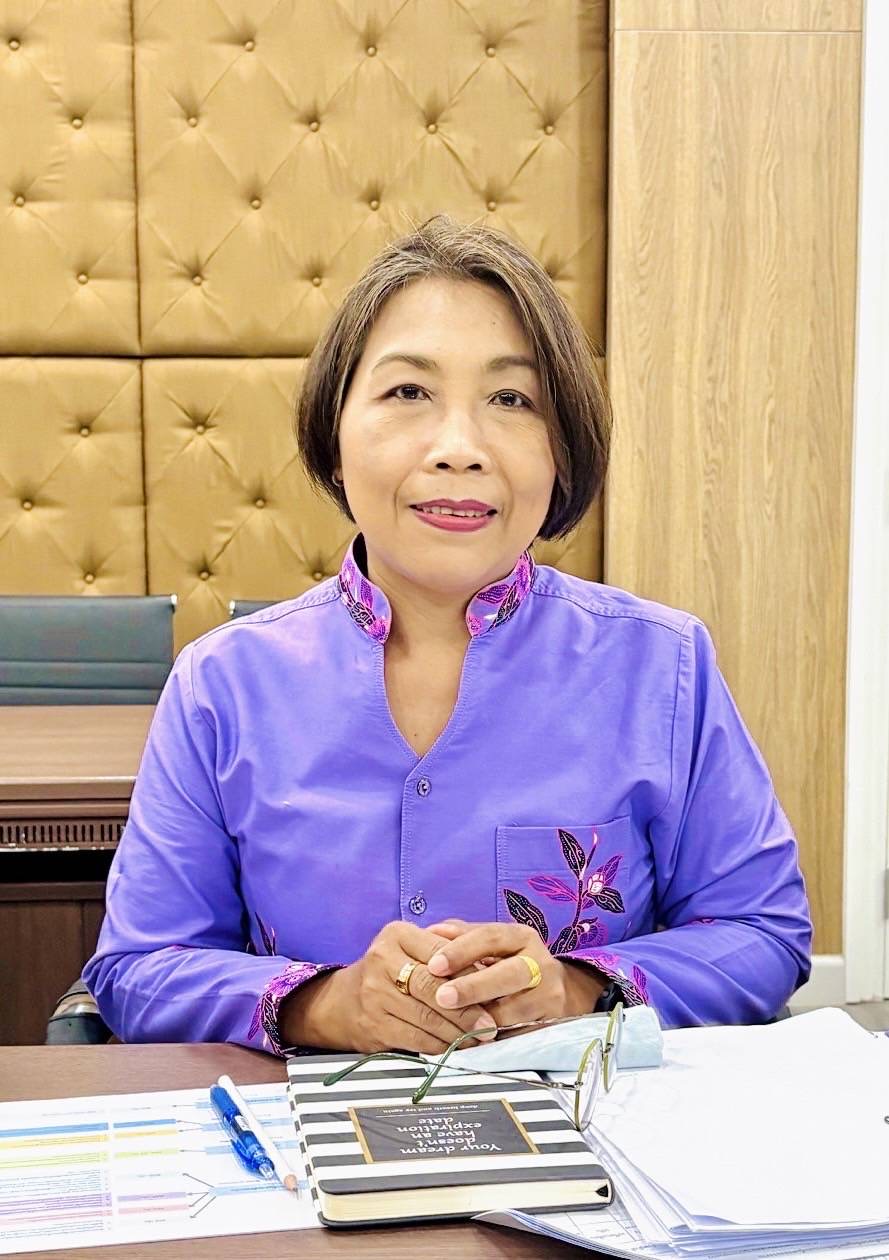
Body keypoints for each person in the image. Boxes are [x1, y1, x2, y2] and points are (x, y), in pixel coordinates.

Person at [84, 214, 812, 1056]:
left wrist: (577, 987)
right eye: (407, 393)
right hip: (307, 1129)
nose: (458, 448)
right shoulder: (222, 685)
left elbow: (761, 932)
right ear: (333, 435)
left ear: (560, 451)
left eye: (511, 399)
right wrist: (326, 1004)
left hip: (591, 1125)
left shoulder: (661, 665)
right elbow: (138, 967)